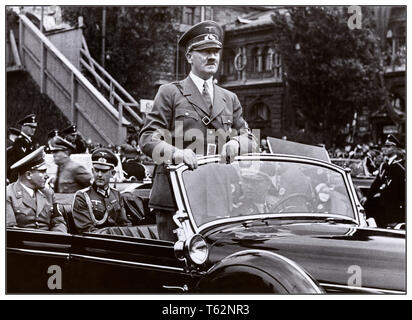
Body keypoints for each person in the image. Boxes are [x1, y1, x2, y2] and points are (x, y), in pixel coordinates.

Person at [139, 20, 258, 240]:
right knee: (174, 262)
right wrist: (177, 153)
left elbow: (251, 139)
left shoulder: (229, 98)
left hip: (216, 196)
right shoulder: (170, 92)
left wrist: (235, 143)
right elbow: (147, 139)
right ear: (189, 57)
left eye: (215, 52)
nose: (212, 57)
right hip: (177, 195)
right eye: (204, 52)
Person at [6, 146, 68, 233]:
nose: (47, 176)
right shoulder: (8, 194)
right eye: (42, 171)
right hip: (22, 244)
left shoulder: (48, 193)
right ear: (28, 175)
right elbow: (11, 231)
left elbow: (59, 222)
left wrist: (56, 239)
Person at [72, 148, 131, 234]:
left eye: (104, 171)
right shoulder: (82, 196)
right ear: (92, 171)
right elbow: (86, 230)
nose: (99, 175)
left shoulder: (116, 194)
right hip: (94, 243)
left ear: (113, 173)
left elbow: (124, 224)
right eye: (96, 170)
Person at [363, 134, 405, 227]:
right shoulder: (384, 166)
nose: (384, 148)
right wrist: (367, 197)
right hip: (383, 207)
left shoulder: (401, 167)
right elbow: (377, 183)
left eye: (388, 146)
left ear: (395, 148)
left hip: (395, 210)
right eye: (384, 146)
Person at [7, 114, 38, 182]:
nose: (33, 129)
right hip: (19, 176)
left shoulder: (30, 142)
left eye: (35, 127)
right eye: (31, 127)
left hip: (27, 176)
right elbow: (23, 159)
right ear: (24, 126)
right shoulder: (19, 141)